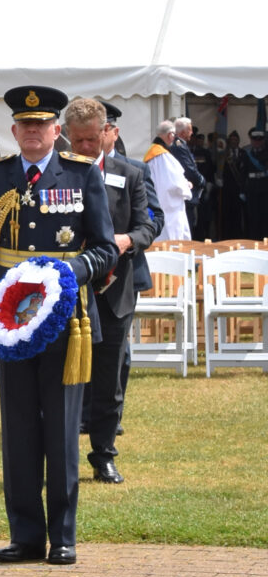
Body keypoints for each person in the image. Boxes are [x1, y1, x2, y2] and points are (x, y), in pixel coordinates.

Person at [0, 86, 116, 566]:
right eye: (25, 125)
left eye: (41, 125)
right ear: (14, 131)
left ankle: (64, 536)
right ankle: (26, 536)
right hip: (12, 321)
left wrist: (70, 271)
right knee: (18, 432)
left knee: (60, 432)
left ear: (57, 130)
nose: (33, 132)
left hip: (65, 321)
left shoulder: (81, 174)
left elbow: (105, 248)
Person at [64, 99, 155, 485]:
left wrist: (126, 240)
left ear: (106, 133)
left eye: (91, 139)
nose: (85, 147)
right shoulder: (58, 174)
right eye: (77, 140)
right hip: (69, 291)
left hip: (116, 290)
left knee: (109, 378)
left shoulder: (130, 174)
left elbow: (147, 226)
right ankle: (60, 453)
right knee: (62, 376)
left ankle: (103, 455)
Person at [95, 100, 164, 438]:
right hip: (86, 274)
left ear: (113, 132)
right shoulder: (74, 169)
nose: (97, 136)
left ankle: (111, 416)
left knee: (117, 350)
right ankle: (84, 414)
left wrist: (129, 239)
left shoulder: (133, 170)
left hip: (124, 272)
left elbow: (154, 218)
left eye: (102, 129)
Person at [144, 121, 192, 241]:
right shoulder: (163, 157)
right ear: (170, 135)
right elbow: (176, 184)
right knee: (171, 240)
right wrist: (187, 186)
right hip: (169, 207)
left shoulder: (152, 152)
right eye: (174, 135)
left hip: (157, 201)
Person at [169, 117, 205, 237]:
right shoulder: (179, 146)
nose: (192, 133)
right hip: (186, 192)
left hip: (187, 192)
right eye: (190, 130)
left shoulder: (180, 144)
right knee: (187, 226)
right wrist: (201, 180)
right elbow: (189, 169)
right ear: (183, 132)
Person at [239, 127, 268, 241]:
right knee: (253, 217)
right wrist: (242, 191)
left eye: (259, 140)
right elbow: (243, 174)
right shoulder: (247, 154)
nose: (257, 142)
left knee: (265, 217)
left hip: (265, 189)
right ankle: (253, 241)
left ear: (263, 140)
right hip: (251, 190)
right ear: (251, 140)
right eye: (255, 140)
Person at [219, 130, 245, 239]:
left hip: (239, 189)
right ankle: (226, 237)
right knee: (226, 213)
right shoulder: (224, 154)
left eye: (235, 139)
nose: (234, 141)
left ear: (239, 141)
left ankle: (237, 236)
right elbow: (219, 168)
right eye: (232, 140)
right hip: (226, 189)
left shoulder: (243, 153)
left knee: (238, 214)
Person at [190, 131, 215, 240]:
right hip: (189, 188)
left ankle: (202, 236)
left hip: (201, 188)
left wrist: (209, 183)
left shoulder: (204, 152)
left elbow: (210, 169)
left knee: (203, 215)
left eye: (194, 137)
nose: (192, 139)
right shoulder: (184, 151)